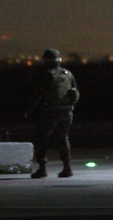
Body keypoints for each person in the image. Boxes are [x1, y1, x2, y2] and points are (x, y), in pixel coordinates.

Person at [25, 48, 80, 178]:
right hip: (66, 111)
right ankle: (67, 167)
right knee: (63, 138)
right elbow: (75, 91)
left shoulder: (46, 75)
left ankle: (42, 168)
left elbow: (38, 95)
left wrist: (28, 109)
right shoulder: (68, 74)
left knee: (42, 139)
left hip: (49, 112)